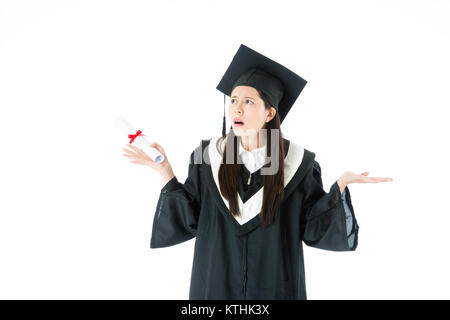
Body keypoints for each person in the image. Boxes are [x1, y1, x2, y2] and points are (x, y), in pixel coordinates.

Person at [121, 44, 393, 300]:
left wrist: (340, 187)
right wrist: (165, 171)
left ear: (269, 113)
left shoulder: (298, 164)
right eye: (234, 100)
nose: (236, 108)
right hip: (215, 289)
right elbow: (190, 218)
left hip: (276, 288)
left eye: (249, 102)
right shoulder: (207, 157)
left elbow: (313, 228)